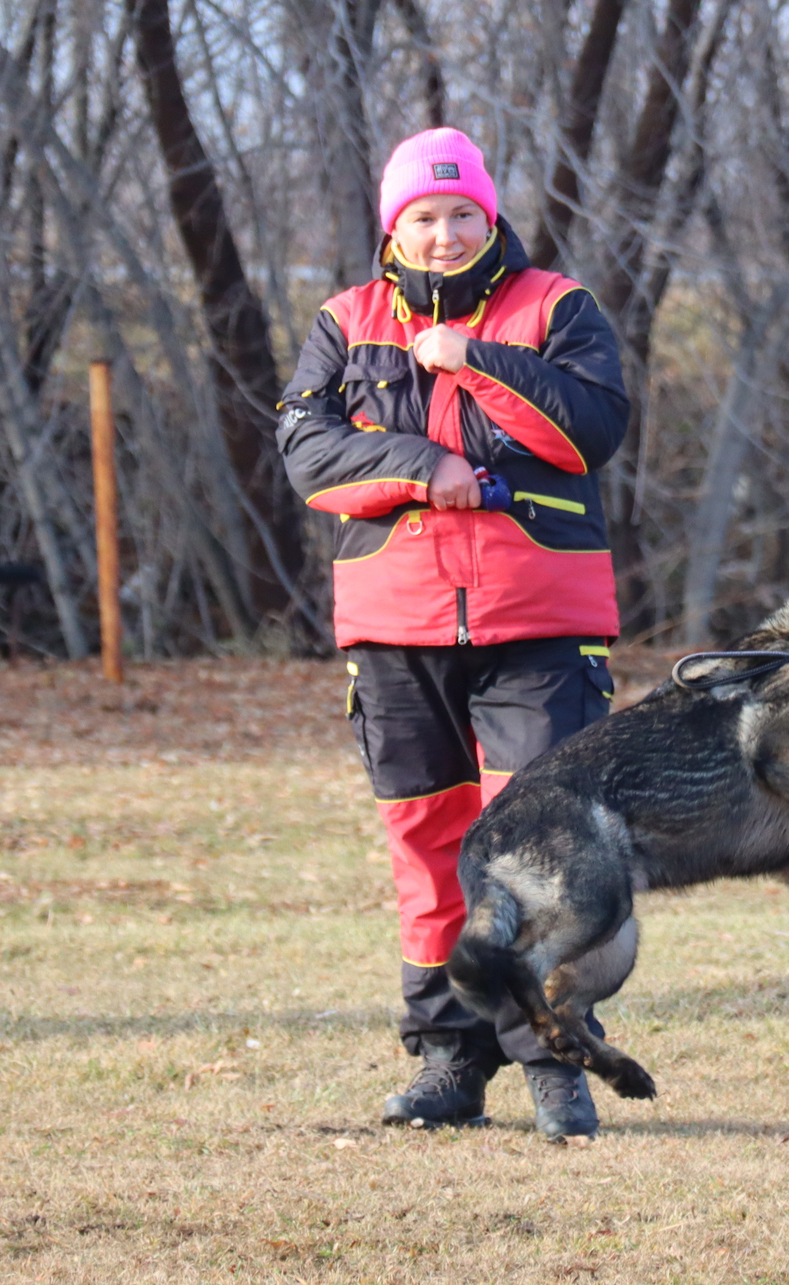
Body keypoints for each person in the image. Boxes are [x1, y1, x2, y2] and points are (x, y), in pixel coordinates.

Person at [276, 128, 629, 1140]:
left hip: (541, 621)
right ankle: (446, 1062)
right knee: (428, 849)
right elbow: (307, 450)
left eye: (459, 214)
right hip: (393, 626)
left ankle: (553, 1060)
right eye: (421, 219)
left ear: (490, 216)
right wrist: (422, 468)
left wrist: (469, 358)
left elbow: (586, 430)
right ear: (394, 227)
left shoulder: (556, 309)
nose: (442, 234)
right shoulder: (345, 323)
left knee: (535, 850)